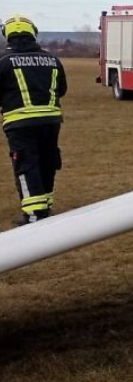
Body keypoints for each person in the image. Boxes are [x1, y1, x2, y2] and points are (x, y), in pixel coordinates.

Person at [0, 14, 67, 225]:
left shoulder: (3, 62)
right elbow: (62, 89)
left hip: (19, 123)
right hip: (51, 121)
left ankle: (34, 215)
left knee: (27, 165)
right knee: (48, 162)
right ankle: (45, 205)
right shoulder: (52, 60)